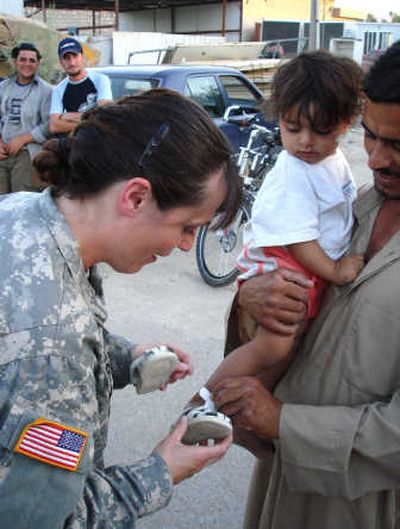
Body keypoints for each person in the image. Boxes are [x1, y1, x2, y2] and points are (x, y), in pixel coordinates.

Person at [0, 89, 241, 528]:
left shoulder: (21, 215)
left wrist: (121, 358)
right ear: (135, 197)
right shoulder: (53, 351)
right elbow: (45, 521)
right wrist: (161, 472)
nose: (185, 247)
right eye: (187, 226)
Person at [211, 41, 400, 529]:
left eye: (398, 145)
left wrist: (282, 422)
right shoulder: (362, 203)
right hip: (287, 474)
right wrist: (248, 298)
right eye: (371, 136)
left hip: (364, 500)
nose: (376, 159)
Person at [183, 51, 364, 446]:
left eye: (321, 130)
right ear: (279, 117)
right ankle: (204, 400)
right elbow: (299, 239)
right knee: (274, 344)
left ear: (348, 123)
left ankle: (239, 409)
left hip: (306, 263)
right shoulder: (293, 172)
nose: (305, 142)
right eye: (292, 127)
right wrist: (335, 271)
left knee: (288, 350)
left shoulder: (333, 163)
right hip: (285, 261)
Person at [0, 42, 52, 193]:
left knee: (20, 203)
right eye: (23, 59)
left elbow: (49, 125)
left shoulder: (46, 91)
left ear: (38, 63)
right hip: (3, 154)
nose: (27, 64)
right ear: (15, 61)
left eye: (32, 60)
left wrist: (23, 139)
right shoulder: (3, 88)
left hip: (27, 155)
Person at [49, 37, 112, 136]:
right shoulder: (58, 90)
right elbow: (54, 126)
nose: (72, 62)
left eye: (75, 56)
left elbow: (104, 117)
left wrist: (66, 117)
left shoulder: (101, 80)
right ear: (61, 62)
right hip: (71, 145)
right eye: (67, 58)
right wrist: (91, 122)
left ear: (83, 57)